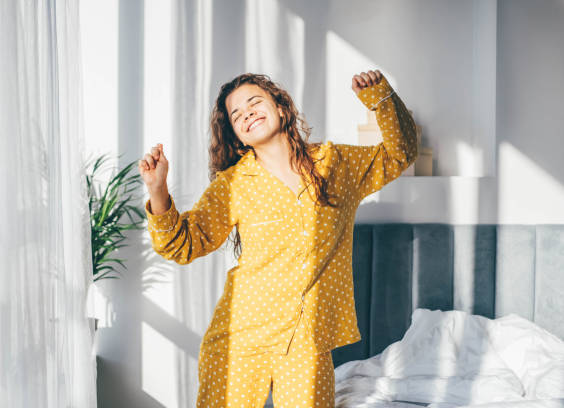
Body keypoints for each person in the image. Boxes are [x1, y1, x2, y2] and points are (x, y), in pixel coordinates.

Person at [138, 69, 418, 407]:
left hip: (307, 341)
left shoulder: (336, 164)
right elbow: (182, 245)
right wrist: (157, 190)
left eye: (254, 102)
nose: (247, 113)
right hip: (239, 336)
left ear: (282, 108)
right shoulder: (233, 185)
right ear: (237, 136)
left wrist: (380, 98)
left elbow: (400, 153)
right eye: (237, 114)